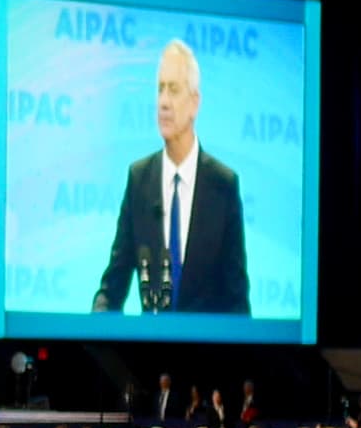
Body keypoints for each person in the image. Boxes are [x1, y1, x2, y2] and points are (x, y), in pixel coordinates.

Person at [92, 39, 250, 315]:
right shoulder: (139, 179)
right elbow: (112, 286)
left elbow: (237, 301)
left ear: (194, 103)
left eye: (174, 90)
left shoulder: (223, 185)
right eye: (160, 89)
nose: (164, 102)